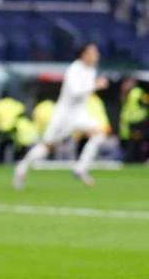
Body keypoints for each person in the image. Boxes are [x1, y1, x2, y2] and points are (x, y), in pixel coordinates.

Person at [14, 44, 108, 188]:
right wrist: (95, 85)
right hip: (64, 115)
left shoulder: (91, 70)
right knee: (48, 146)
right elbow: (75, 92)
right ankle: (22, 167)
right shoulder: (74, 69)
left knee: (99, 133)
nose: (97, 55)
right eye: (93, 53)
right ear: (84, 55)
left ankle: (80, 168)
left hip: (80, 113)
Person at [118, 79, 148, 162]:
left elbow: (145, 103)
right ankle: (132, 159)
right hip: (129, 122)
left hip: (138, 121)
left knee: (136, 141)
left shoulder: (138, 92)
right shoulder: (126, 93)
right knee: (131, 141)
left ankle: (137, 159)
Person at [0, 92, 25, 163]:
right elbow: (22, 116)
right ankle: (16, 161)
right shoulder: (17, 104)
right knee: (16, 147)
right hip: (14, 129)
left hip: (3, 129)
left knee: (1, 147)